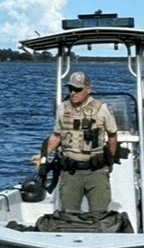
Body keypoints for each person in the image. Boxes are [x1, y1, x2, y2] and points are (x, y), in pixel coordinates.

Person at [35, 71, 118, 212]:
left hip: (96, 172)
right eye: (70, 89)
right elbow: (57, 136)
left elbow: (112, 137)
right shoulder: (63, 108)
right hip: (70, 173)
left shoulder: (102, 109)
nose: (73, 93)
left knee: (100, 214)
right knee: (68, 214)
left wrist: (110, 160)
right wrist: (43, 157)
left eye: (77, 89)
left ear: (88, 89)